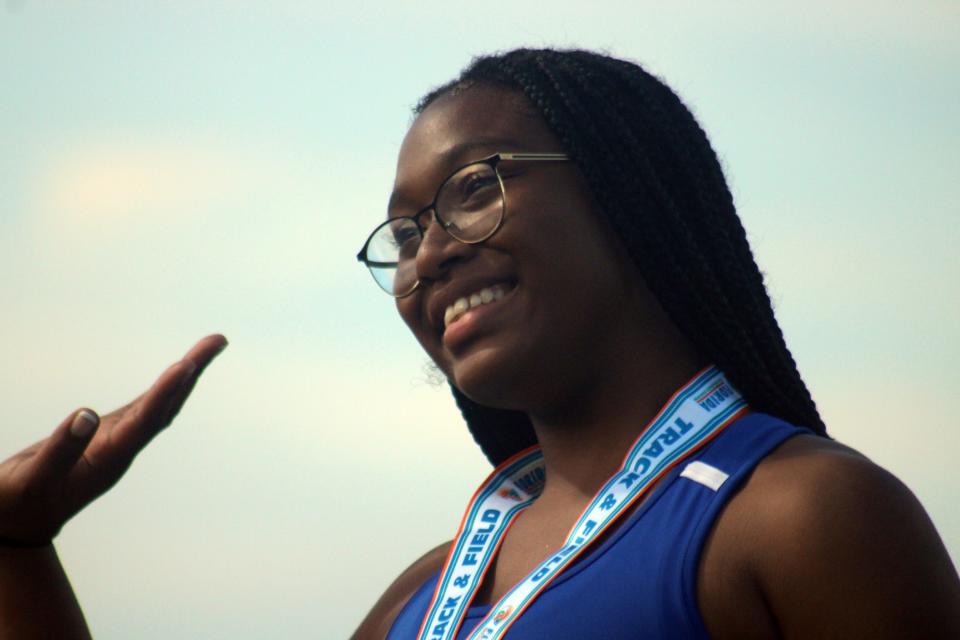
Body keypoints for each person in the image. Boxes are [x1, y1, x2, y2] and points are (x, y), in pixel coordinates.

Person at [0, 48, 956, 639]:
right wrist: (18, 549)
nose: (429, 260)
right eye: (406, 234)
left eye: (470, 188)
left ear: (624, 191)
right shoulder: (428, 595)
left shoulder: (804, 519)